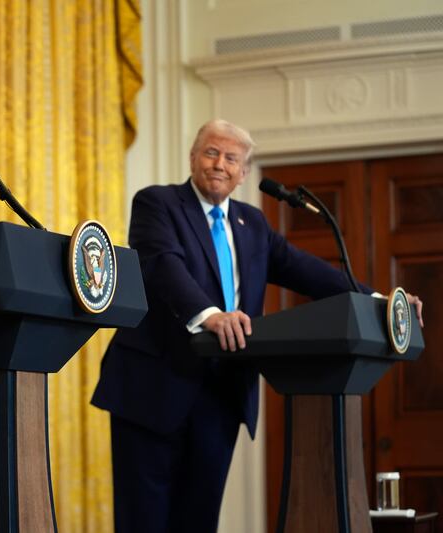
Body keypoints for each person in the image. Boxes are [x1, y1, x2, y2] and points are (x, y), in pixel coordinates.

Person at [90, 119, 424, 532]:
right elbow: (162, 265)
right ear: (193, 157)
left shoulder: (254, 224)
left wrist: (381, 301)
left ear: (244, 173)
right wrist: (209, 315)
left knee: (198, 519)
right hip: (154, 387)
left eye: (232, 158)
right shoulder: (158, 204)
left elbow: (309, 272)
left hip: (222, 392)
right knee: (144, 521)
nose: (219, 164)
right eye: (211, 152)